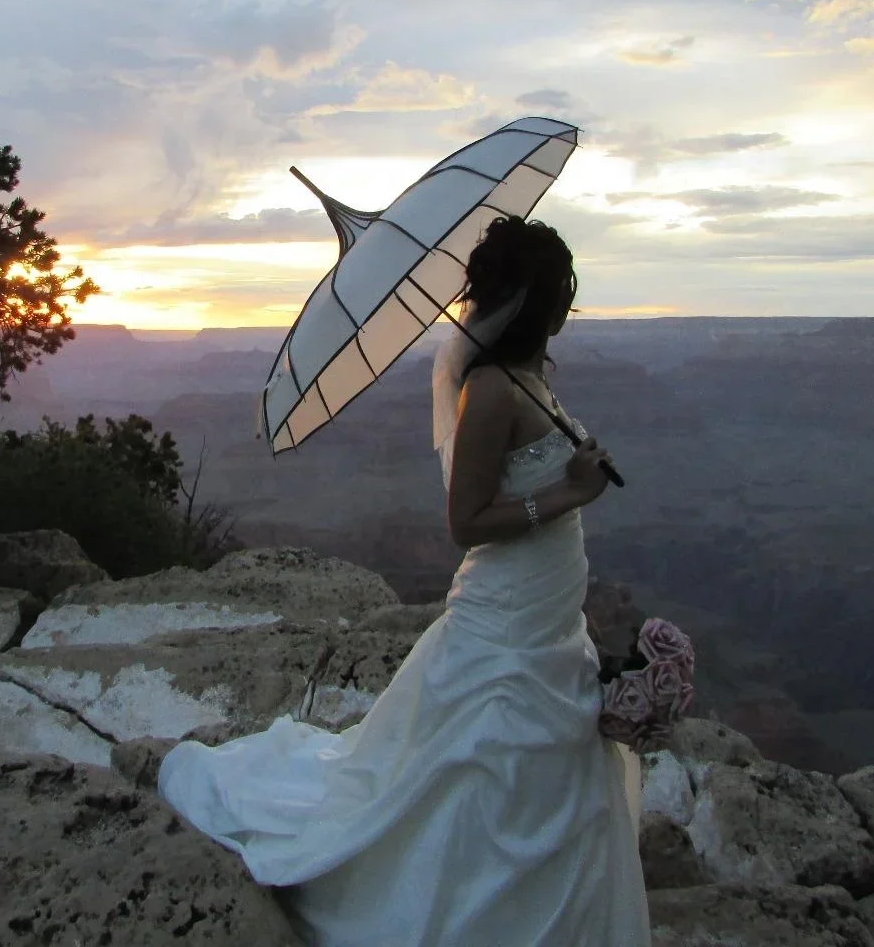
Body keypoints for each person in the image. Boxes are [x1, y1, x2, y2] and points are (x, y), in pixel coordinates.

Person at [157, 215, 650, 946]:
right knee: (483, 764)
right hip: (507, 614)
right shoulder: (486, 390)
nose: (562, 316)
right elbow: (468, 519)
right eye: (557, 298)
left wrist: (576, 465)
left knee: (545, 762)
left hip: (551, 617)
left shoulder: (531, 378)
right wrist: (570, 493)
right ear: (530, 301)